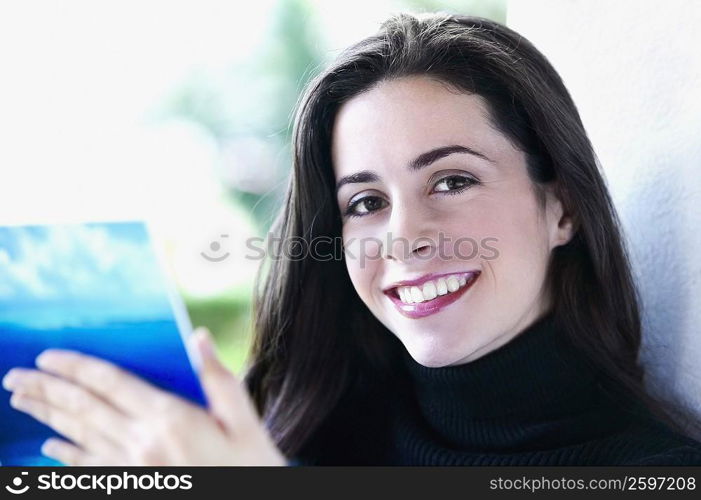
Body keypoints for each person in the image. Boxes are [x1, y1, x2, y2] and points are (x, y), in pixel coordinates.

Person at [3, 12, 701, 466]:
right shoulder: (296, 436)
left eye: (452, 181)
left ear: (562, 207)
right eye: (364, 202)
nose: (404, 238)